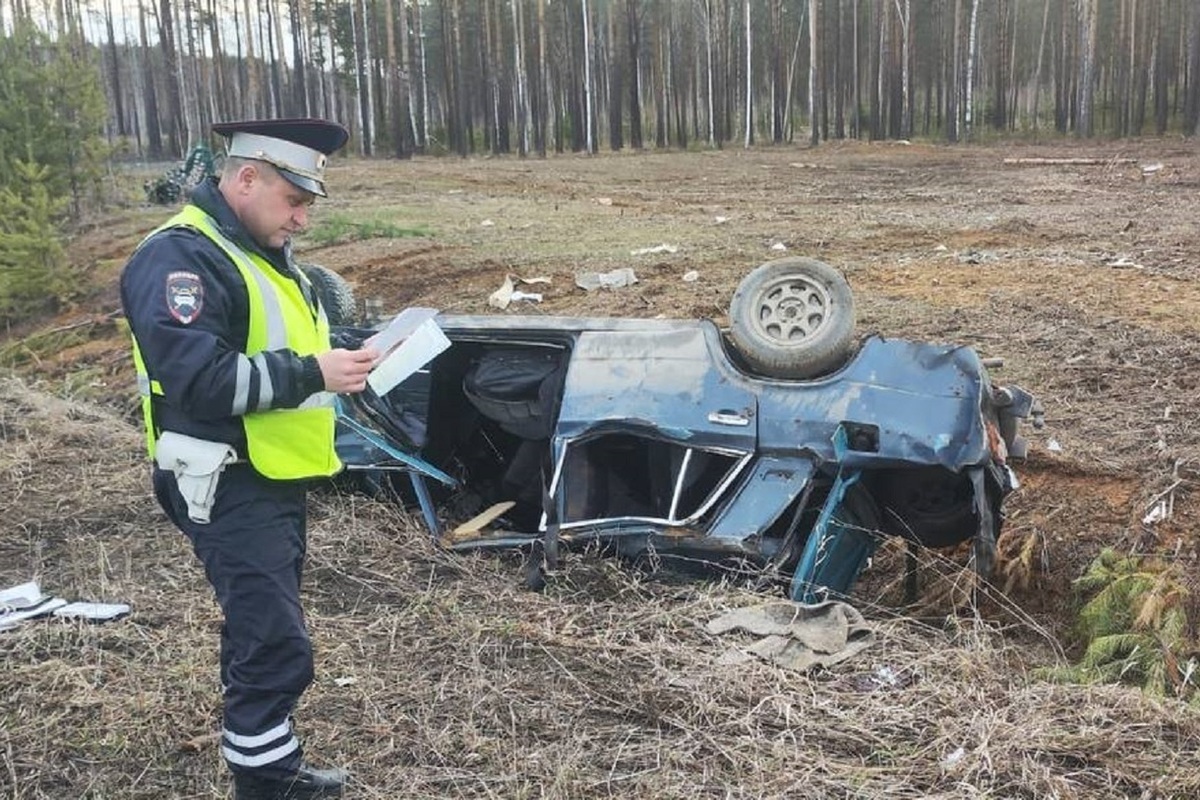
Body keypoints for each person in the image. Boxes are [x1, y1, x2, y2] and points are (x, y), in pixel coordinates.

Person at [119, 118, 378, 800]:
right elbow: (199, 382)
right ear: (245, 179)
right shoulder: (179, 258)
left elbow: (282, 344)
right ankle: (266, 786)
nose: (302, 219)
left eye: (308, 205)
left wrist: (344, 362)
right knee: (276, 640)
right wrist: (314, 372)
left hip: (270, 473)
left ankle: (268, 766)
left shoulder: (257, 251)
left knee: (262, 627)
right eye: (294, 201)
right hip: (222, 478)